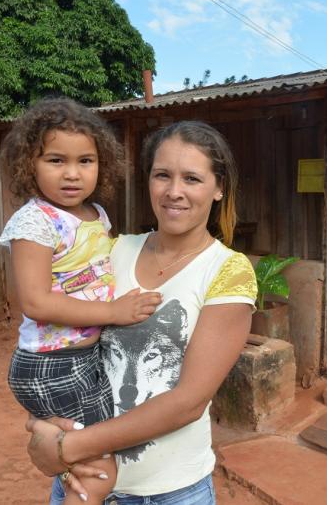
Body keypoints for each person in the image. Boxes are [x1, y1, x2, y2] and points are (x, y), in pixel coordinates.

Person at [26, 121, 257, 504]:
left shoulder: (227, 271)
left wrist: (69, 446)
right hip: (83, 480)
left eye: (192, 179)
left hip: (171, 493)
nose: (174, 192)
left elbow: (189, 402)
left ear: (219, 188)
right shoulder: (111, 250)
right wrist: (42, 419)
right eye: (162, 175)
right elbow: (57, 337)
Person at [0, 97, 162, 504]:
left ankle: (46, 427)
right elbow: (35, 302)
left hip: (81, 360)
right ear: (28, 165)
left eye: (85, 161)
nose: (72, 174)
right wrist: (112, 312)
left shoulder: (97, 215)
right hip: (53, 364)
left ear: (101, 165)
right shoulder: (34, 220)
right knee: (100, 464)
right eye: (56, 160)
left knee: (77, 441)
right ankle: (49, 430)